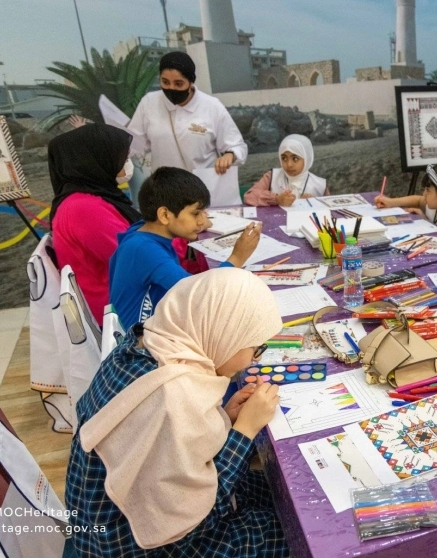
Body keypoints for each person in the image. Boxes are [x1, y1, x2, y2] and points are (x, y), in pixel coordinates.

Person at [66, 268, 289, 557]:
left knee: (272, 491)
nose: (252, 361)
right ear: (224, 333)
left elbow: (172, 449)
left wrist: (225, 418)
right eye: (255, 348)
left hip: (110, 519)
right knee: (295, 532)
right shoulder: (172, 396)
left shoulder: (146, 344)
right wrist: (244, 431)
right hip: (145, 545)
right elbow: (195, 525)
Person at [109, 167, 260, 329]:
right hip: (139, 348)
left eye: (204, 213)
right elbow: (201, 294)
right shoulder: (145, 251)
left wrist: (197, 222)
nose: (202, 221)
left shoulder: (143, 233)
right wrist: (237, 257)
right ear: (165, 215)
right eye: (196, 214)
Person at [127, 52, 248, 207]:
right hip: (165, 191)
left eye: (179, 84)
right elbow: (134, 144)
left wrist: (230, 156)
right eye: (165, 82)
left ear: (191, 82)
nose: (171, 88)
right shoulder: (149, 103)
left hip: (205, 189)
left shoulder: (212, 106)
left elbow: (238, 146)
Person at [49, 123, 141, 320]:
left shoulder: (90, 198)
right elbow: (134, 259)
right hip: (116, 309)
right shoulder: (84, 208)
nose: (127, 161)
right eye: (122, 157)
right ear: (96, 160)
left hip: (118, 294)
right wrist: (180, 242)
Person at [243, 134, 329, 206]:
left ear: (306, 159)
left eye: (295, 159)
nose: (289, 164)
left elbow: (330, 212)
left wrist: (313, 204)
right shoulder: (272, 176)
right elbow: (249, 196)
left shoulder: (319, 185)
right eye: (284, 158)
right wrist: (276, 199)